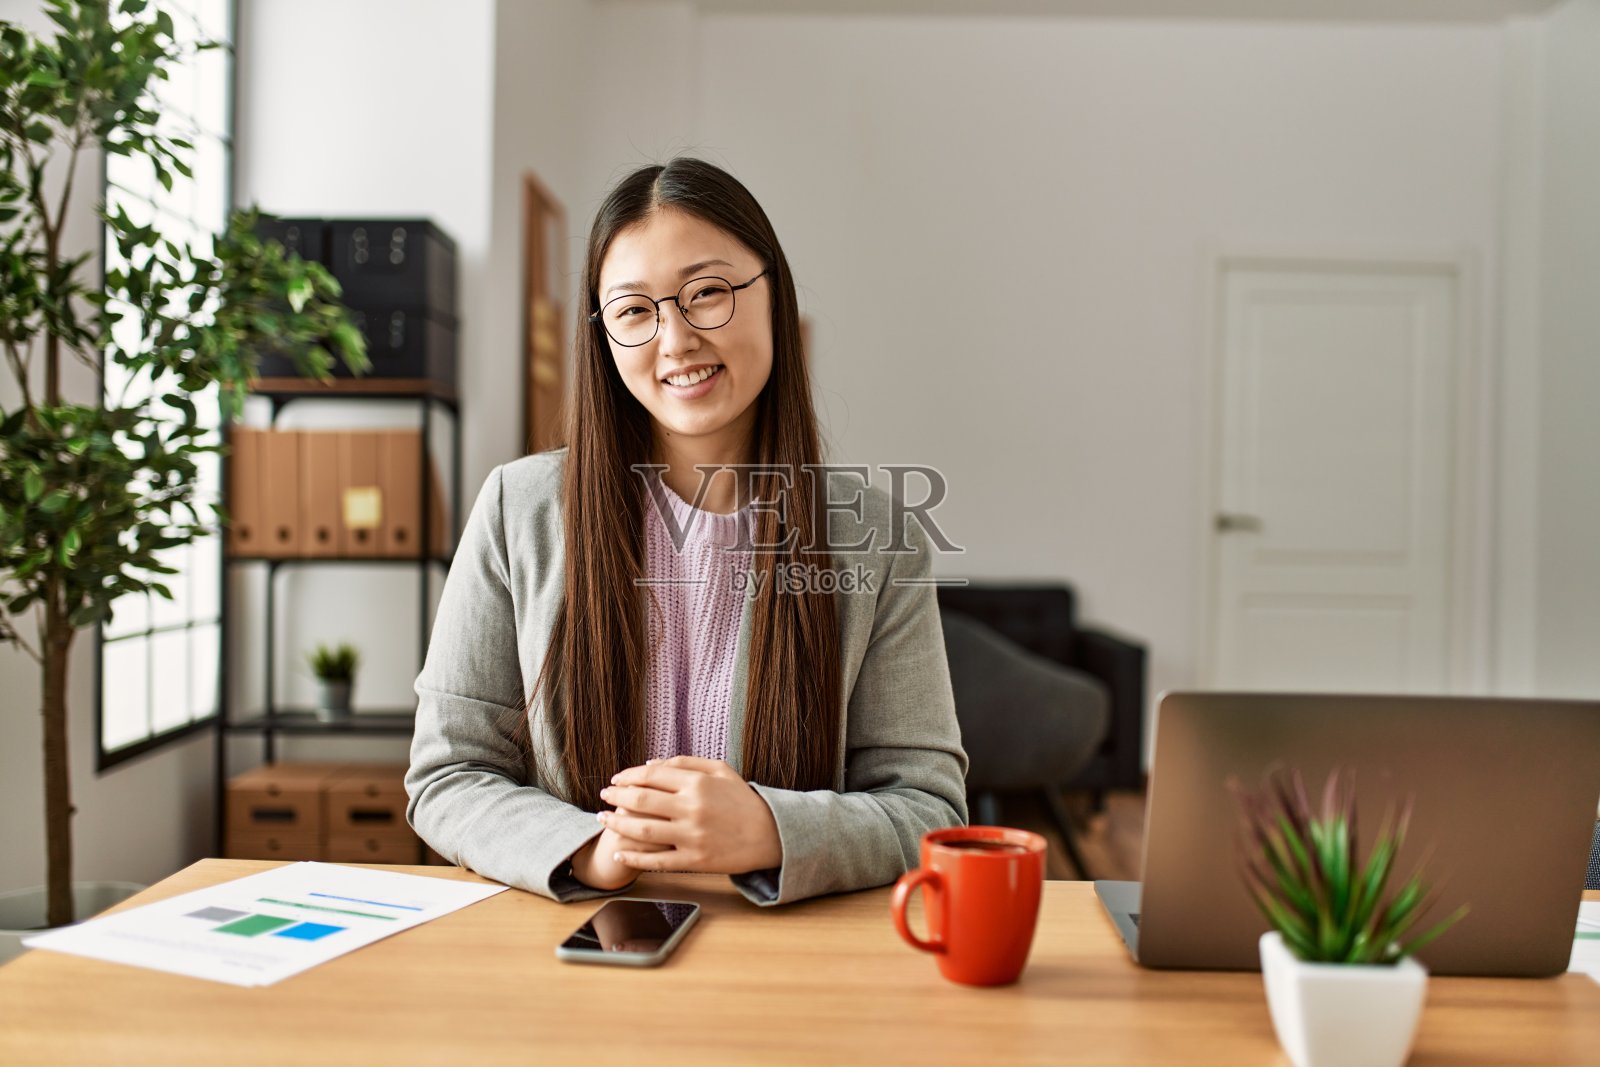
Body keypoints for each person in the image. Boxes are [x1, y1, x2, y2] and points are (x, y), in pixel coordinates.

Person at [405, 157, 968, 907]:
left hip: (791, 967)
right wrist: (592, 847)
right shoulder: (519, 509)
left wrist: (774, 829)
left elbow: (930, 808)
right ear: (603, 335)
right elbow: (447, 774)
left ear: (774, 295)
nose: (675, 340)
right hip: (576, 947)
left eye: (707, 294)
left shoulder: (875, 535)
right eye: (635, 311)